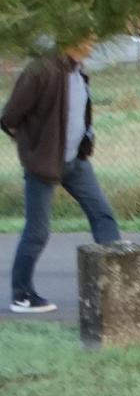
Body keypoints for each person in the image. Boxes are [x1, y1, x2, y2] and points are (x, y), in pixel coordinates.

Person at [3, 36, 123, 314]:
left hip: (75, 162)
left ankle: (118, 285)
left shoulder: (77, 70)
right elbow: (9, 117)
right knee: (37, 232)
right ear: (68, 37)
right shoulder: (41, 70)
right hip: (44, 163)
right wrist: (33, 147)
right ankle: (22, 295)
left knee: (102, 215)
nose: (92, 45)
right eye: (87, 39)